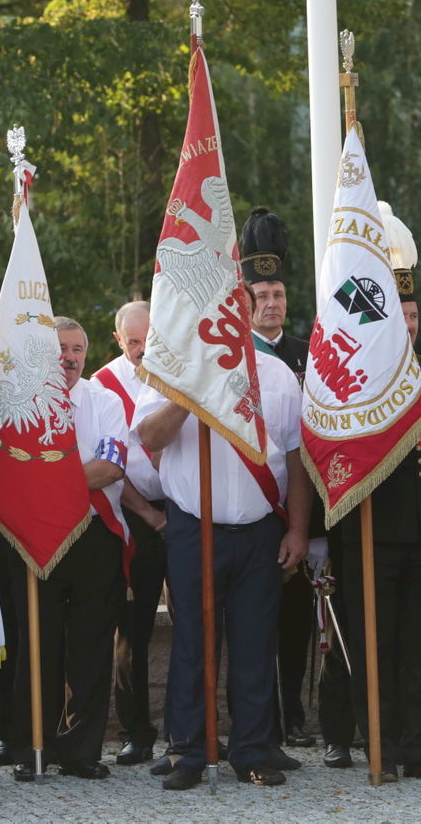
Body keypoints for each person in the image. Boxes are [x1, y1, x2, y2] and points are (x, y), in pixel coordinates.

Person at [134, 306, 311, 790]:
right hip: (196, 527)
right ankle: (190, 749)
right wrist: (192, 394)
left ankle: (253, 749)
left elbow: (296, 459)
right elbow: (149, 437)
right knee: (193, 640)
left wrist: (297, 529)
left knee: (255, 643)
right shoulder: (170, 369)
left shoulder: (276, 374)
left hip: (259, 532)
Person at [330, 213, 421, 782]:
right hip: (370, 534)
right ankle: (382, 749)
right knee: (374, 648)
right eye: (398, 316)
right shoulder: (354, 381)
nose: (407, 326)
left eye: (413, 316)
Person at [7, 318, 129, 781]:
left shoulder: (106, 400)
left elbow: (112, 466)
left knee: (91, 647)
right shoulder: (23, 402)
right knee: (37, 644)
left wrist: (50, 482)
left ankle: (81, 751)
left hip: (92, 538)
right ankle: (32, 747)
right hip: (36, 536)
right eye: (61, 347)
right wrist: (63, 481)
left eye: (78, 348)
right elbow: (13, 470)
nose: (71, 356)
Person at [240, 207, 317, 752]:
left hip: (296, 511)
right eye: (261, 297)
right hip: (246, 508)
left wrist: (311, 527)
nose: (271, 305)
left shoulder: (308, 356)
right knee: (251, 628)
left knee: (295, 623)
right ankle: (257, 718)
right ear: (245, 302)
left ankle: (293, 711)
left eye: (278, 296)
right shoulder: (230, 357)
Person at [92, 301, 169, 766]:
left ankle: (192, 729)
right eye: (133, 341)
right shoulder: (103, 387)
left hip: (183, 510)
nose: (142, 350)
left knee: (196, 622)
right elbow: (109, 466)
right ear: (119, 339)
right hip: (132, 516)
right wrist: (147, 512)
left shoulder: (176, 371)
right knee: (132, 627)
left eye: (149, 339)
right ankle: (135, 730)